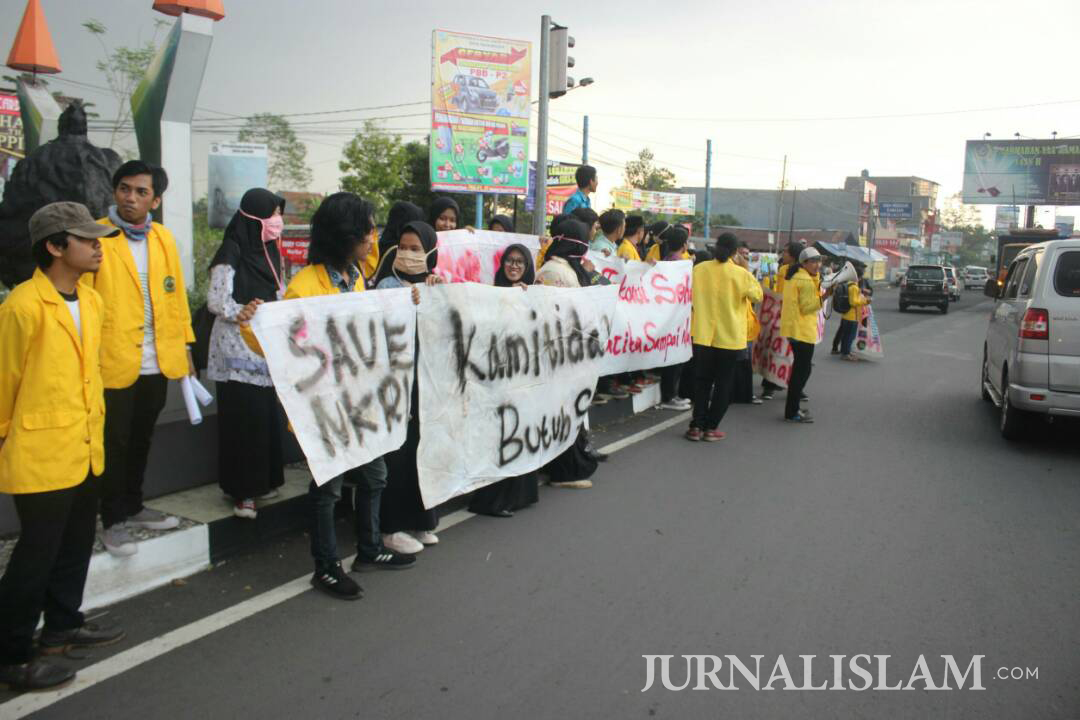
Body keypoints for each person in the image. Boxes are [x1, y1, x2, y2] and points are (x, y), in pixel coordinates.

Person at [0, 203, 125, 690]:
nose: (97, 247)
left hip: (85, 446)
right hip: (39, 453)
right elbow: (5, 383)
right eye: (85, 239)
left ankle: (62, 626)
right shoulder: (22, 308)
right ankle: (12, 653)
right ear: (54, 247)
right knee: (36, 556)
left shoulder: (90, 302)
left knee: (75, 544)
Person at [288, 193, 418, 599]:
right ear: (346, 236)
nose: (372, 237)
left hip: (360, 400)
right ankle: (326, 567)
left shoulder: (358, 279)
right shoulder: (303, 286)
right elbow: (280, 346)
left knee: (375, 475)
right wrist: (249, 325)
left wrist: (404, 303)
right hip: (325, 405)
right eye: (366, 229)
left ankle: (369, 549)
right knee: (327, 487)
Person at [90, 161, 190, 556]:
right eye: (124, 189)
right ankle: (112, 520)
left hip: (157, 357)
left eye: (141, 192)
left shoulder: (163, 238)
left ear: (156, 200)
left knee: (142, 437)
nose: (130, 198)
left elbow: (175, 293)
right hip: (113, 358)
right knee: (113, 441)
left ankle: (133, 505)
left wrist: (184, 345)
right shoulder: (96, 236)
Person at [207, 188, 287, 518]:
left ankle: (264, 481)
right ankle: (242, 492)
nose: (277, 222)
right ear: (254, 216)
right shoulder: (232, 249)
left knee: (265, 417)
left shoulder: (270, 251)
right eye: (272, 214)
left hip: (263, 347)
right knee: (244, 420)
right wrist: (239, 310)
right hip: (235, 348)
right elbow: (217, 300)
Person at [376, 220, 446, 553]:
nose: (407, 254)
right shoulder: (386, 284)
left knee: (423, 452)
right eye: (403, 247)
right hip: (394, 384)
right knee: (397, 456)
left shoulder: (436, 283)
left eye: (416, 249)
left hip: (425, 384)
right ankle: (391, 527)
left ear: (431, 251)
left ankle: (420, 521)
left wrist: (438, 294)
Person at [469, 245, 541, 517]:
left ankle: (518, 496)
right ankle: (492, 500)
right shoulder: (490, 294)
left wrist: (529, 300)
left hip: (523, 381)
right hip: (496, 381)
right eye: (509, 261)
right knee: (500, 438)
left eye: (520, 262)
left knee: (520, 435)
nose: (513, 266)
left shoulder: (531, 295)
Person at [534, 217, 600, 488]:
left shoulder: (568, 269)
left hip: (571, 354)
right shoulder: (553, 272)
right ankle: (562, 470)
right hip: (557, 355)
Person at [686, 232, 763, 441]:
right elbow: (758, 295)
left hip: (702, 335)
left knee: (702, 382)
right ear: (735, 252)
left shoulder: (699, 269)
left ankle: (696, 426)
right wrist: (744, 267)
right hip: (730, 338)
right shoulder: (741, 274)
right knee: (724, 384)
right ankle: (711, 428)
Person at [780, 247, 828, 423]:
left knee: (801, 369)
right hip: (802, 331)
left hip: (794, 330)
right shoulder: (805, 280)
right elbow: (808, 307)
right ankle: (792, 411)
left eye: (819, 261)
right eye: (814, 261)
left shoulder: (796, 276)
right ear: (804, 263)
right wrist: (826, 295)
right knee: (801, 371)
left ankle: (792, 409)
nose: (818, 265)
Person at [760, 241, 804, 402]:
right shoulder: (784, 270)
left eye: (785, 252)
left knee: (790, 353)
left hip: (792, 317)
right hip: (783, 315)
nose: (782, 255)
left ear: (793, 255)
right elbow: (780, 293)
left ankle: (790, 385)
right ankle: (770, 385)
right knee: (779, 351)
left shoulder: (795, 272)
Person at [657, 226, 693, 410]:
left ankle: (672, 394)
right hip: (675, 318)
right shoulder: (680, 264)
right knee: (674, 359)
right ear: (684, 245)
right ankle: (669, 396)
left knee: (673, 358)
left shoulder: (666, 261)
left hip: (671, 316)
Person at [732, 242, 762, 405]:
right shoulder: (740, 275)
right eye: (742, 254)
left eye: (747, 255)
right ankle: (741, 394)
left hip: (747, 326)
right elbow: (757, 295)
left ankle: (743, 393)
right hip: (739, 326)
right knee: (740, 362)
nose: (745, 258)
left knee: (744, 362)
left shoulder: (744, 273)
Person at [837, 266, 870, 362]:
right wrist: (865, 301)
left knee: (846, 335)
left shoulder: (849, 285)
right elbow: (853, 302)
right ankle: (846, 354)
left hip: (847, 315)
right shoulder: (854, 287)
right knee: (849, 336)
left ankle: (845, 352)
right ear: (858, 277)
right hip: (852, 316)